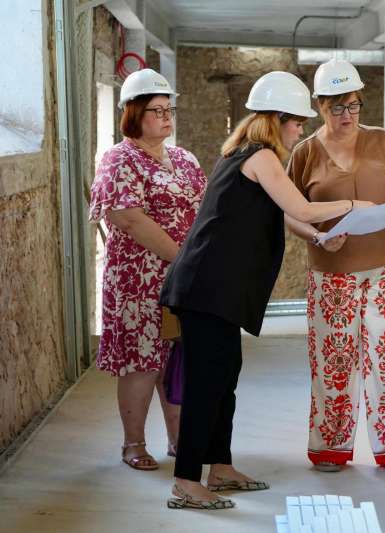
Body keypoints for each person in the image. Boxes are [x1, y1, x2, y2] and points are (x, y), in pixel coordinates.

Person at [159, 71, 371, 510]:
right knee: (207, 382)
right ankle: (186, 481)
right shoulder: (259, 155)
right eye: (296, 122)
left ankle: (220, 466)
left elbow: (286, 215)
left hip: (220, 290)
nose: (300, 131)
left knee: (225, 377)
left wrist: (316, 236)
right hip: (206, 288)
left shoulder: (248, 156)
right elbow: (301, 206)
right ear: (277, 119)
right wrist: (354, 205)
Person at [285, 59, 385, 476]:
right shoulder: (305, 152)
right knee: (335, 358)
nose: (347, 116)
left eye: (354, 106)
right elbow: (289, 212)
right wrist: (316, 236)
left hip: (384, 266)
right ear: (319, 105)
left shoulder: (382, 141)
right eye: (337, 108)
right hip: (332, 270)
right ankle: (330, 447)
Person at [89, 68, 206, 472]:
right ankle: (133, 444)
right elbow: (129, 218)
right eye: (156, 111)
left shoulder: (184, 159)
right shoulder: (119, 159)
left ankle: (179, 440)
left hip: (183, 279)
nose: (166, 118)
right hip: (138, 281)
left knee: (179, 359)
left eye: (168, 109)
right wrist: (183, 257)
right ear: (133, 114)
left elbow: (204, 209)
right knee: (143, 361)